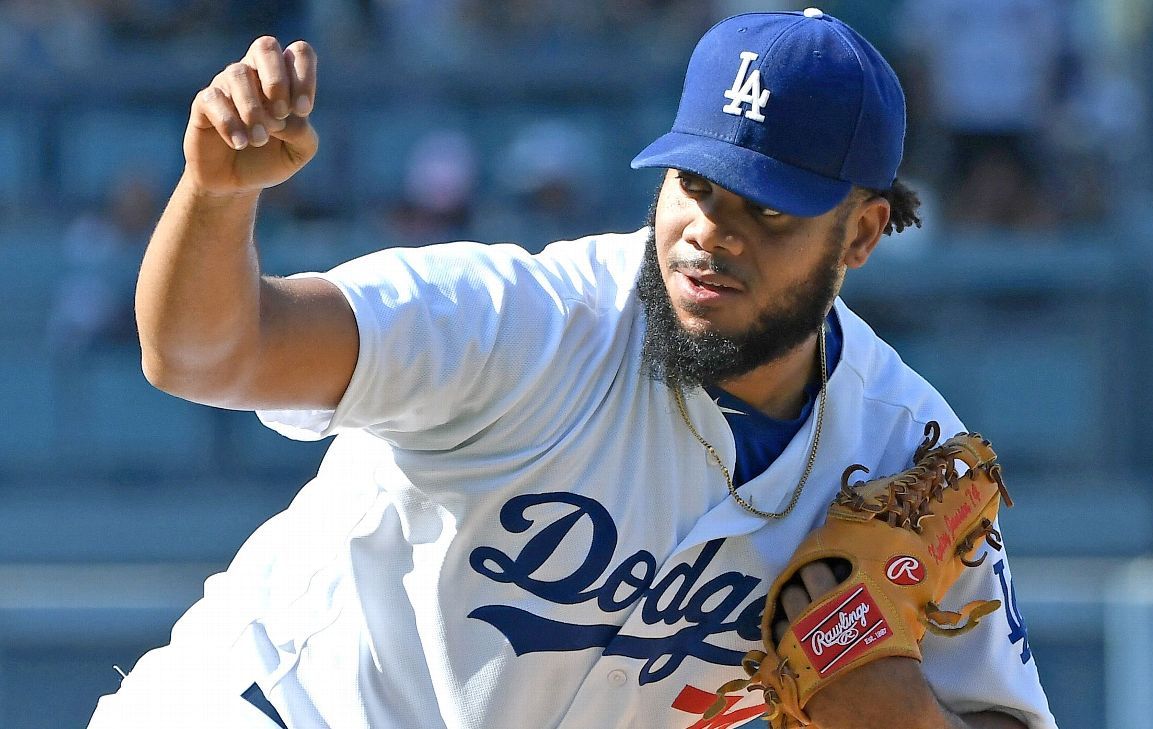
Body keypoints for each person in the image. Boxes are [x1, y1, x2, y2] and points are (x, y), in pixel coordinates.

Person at [91, 9, 1056, 729]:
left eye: (768, 209)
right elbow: (203, 352)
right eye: (696, 185)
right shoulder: (527, 323)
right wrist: (214, 202)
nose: (710, 235)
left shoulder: (899, 444)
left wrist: (900, 713)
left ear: (863, 233)